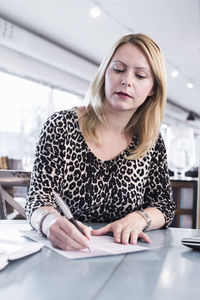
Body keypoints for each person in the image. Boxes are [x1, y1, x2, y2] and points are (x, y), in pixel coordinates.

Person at [25, 33, 175, 251]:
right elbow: (38, 199)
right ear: (105, 73)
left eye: (140, 75)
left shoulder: (150, 140)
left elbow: (164, 206)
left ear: (153, 89)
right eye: (118, 69)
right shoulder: (60, 125)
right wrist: (50, 223)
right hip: (61, 255)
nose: (127, 81)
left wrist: (139, 218)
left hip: (126, 261)